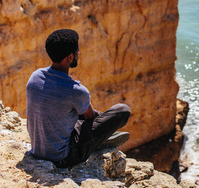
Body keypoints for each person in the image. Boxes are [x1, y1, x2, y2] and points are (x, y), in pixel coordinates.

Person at [26, 29, 131, 168]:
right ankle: (100, 140)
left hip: (37, 150)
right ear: (70, 57)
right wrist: (100, 117)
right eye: (77, 51)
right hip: (63, 157)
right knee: (122, 111)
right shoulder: (75, 90)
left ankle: (99, 137)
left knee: (73, 111)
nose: (78, 54)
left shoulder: (35, 76)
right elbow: (90, 117)